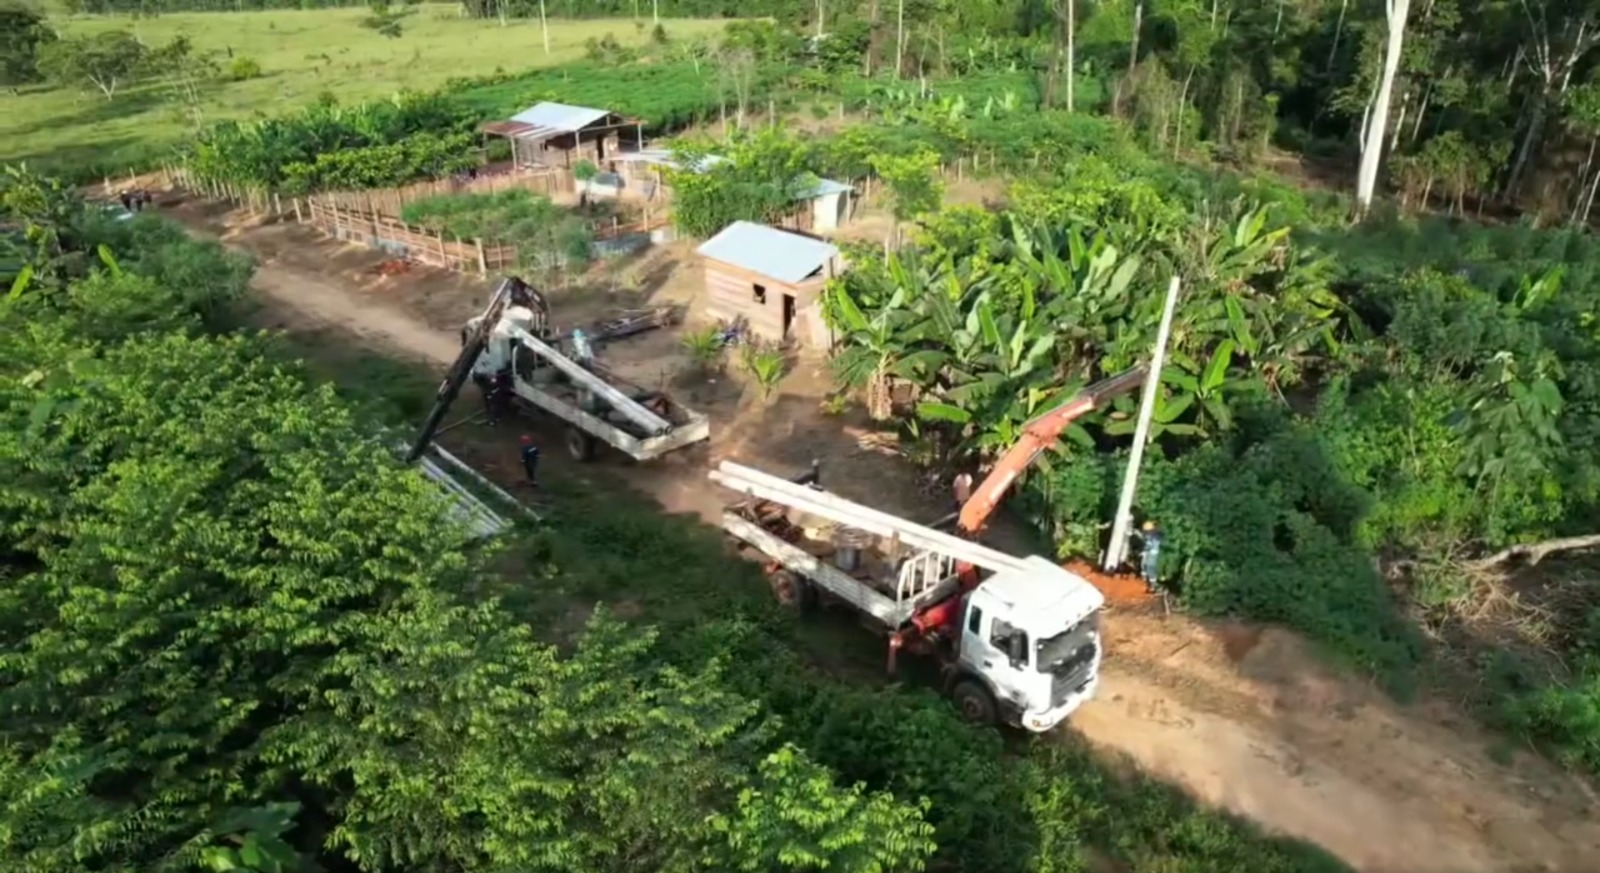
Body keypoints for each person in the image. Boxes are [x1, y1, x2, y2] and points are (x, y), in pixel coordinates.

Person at [1135, 520, 1164, 594]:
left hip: (1153, 553)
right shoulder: (1149, 535)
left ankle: (1153, 585)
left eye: (1146, 531)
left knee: (1150, 567)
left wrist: (1145, 551)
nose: (1145, 532)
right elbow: (1146, 542)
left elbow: (1153, 547)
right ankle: (1145, 580)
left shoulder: (1156, 537)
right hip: (1148, 552)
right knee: (1144, 565)